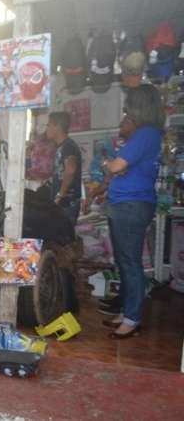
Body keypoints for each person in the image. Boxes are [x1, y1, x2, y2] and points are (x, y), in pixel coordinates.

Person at [101, 84, 163, 339]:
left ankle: (132, 318)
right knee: (125, 262)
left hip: (131, 204)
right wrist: (116, 167)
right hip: (128, 204)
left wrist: (107, 164)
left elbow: (116, 166)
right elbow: (123, 166)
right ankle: (127, 311)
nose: (126, 109)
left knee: (130, 263)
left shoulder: (146, 133)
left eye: (129, 105)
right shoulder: (147, 134)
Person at [46, 111, 82, 226]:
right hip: (63, 203)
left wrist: (59, 195)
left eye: (48, 125)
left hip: (67, 203)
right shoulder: (61, 146)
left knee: (64, 241)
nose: (46, 128)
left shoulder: (68, 146)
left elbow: (70, 170)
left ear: (57, 126)